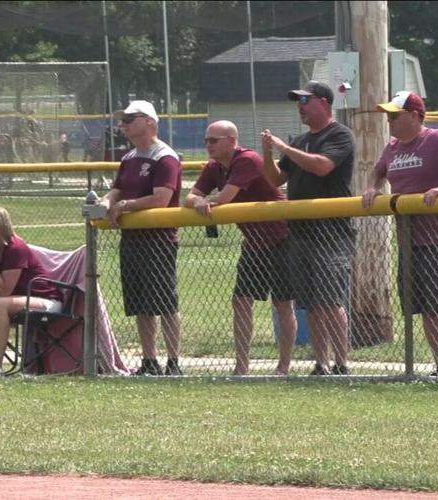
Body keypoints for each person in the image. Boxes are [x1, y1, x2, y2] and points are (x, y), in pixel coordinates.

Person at [362, 91, 438, 378]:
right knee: (425, 306)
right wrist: (373, 186)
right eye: (388, 115)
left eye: (395, 115)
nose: (389, 120)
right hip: (409, 237)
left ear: (415, 116)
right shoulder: (391, 147)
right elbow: (378, 171)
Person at [185, 120, 296, 376]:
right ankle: (241, 367)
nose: (208, 145)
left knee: (283, 302)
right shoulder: (214, 167)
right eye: (206, 140)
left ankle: (283, 367)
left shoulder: (247, 160)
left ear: (232, 141)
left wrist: (206, 200)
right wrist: (200, 200)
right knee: (241, 300)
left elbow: (224, 198)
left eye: (214, 140)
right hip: (254, 242)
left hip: (282, 237)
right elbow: (190, 197)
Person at [261, 80, 356, 376]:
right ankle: (322, 363)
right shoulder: (299, 141)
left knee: (330, 300)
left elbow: (323, 166)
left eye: (305, 101)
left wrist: (284, 146)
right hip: (300, 232)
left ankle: (342, 363)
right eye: (298, 102)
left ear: (324, 103)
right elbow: (277, 180)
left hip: (331, 232)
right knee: (313, 304)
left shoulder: (340, 135)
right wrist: (268, 152)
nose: (299, 107)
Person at [98, 100, 184, 376]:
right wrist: (106, 201)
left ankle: (173, 362)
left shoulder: (165, 157)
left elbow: (162, 198)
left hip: (159, 239)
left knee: (165, 303)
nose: (123, 125)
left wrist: (126, 206)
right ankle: (149, 361)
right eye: (122, 120)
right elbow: (118, 190)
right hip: (132, 238)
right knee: (141, 304)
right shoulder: (129, 158)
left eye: (130, 119)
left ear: (149, 121)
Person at [0, 207, 63, 378]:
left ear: (0, 226)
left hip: (45, 299)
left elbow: (4, 291)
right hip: (15, 300)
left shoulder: (16, 248)